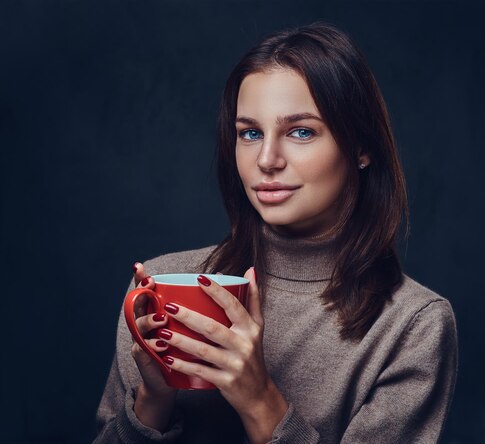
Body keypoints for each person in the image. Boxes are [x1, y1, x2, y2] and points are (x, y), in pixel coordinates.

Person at [94, 23, 458, 443]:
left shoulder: (412, 326)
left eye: (300, 131)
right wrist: (153, 403)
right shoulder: (159, 285)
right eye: (250, 133)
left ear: (361, 147)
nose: (267, 159)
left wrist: (260, 399)